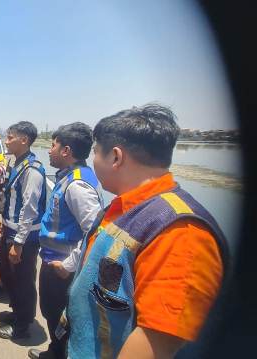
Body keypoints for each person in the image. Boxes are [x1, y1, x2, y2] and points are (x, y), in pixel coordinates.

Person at [66, 104, 228, 358]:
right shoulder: (123, 206)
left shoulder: (180, 231)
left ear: (116, 157)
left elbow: (158, 340)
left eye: (96, 152)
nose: (93, 161)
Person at [29, 123, 102, 359]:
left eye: (53, 145)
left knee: (61, 315)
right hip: (54, 262)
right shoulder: (68, 177)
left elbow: (95, 231)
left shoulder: (77, 185)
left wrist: (69, 265)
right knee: (52, 313)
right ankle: (55, 350)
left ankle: (60, 354)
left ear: (66, 151)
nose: (49, 150)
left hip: (63, 269)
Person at [0, 121, 47, 340]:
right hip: (10, 231)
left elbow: (29, 209)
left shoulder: (32, 170)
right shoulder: (17, 163)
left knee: (22, 281)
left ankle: (22, 326)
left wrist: (18, 243)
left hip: (23, 238)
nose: (6, 141)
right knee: (6, 274)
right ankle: (18, 312)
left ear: (24, 140)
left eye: (10, 137)